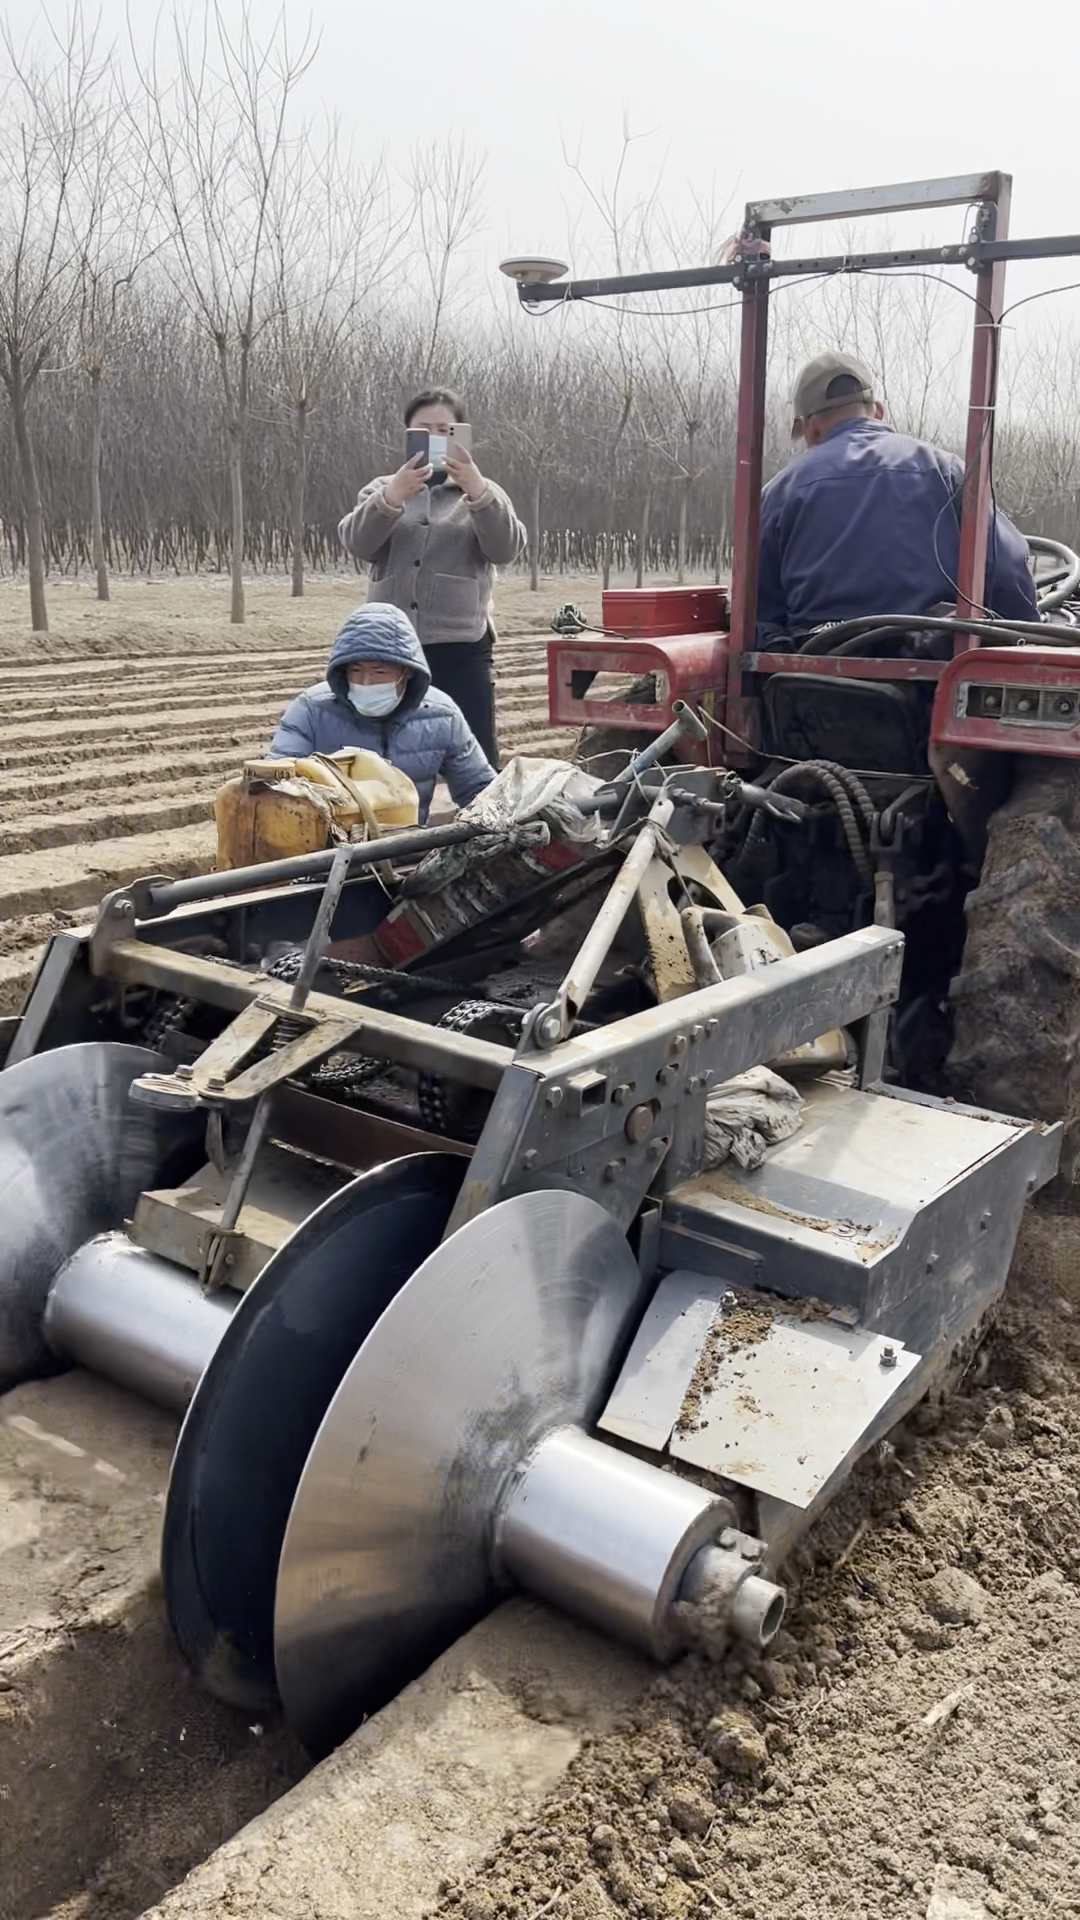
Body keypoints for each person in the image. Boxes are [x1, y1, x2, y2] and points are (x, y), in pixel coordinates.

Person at [756, 350, 1039, 642]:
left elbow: (758, 609)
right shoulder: (945, 470)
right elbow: (1006, 568)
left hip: (812, 672)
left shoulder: (780, 492)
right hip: (930, 670)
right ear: (877, 411)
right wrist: (1025, 634)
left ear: (810, 427)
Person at [337, 387, 526, 767]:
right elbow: (358, 544)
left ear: (462, 435)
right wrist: (391, 497)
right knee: (385, 751)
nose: (435, 438)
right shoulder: (380, 488)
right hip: (391, 646)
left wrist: (477, 490)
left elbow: (506, 549)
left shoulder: (482, 492)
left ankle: (477, 823)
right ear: (408, 435)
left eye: (445, 429)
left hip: (461, 644)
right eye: (424, 429)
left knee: (474, 755)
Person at [268, 602, 496, 822]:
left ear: (406, 672)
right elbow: (275, 783)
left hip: (407, 845)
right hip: (330, 851)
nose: (365, 682)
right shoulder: (311, 710)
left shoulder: (441, 715)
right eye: (355, 670)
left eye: (379, 671)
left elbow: (479, 789)